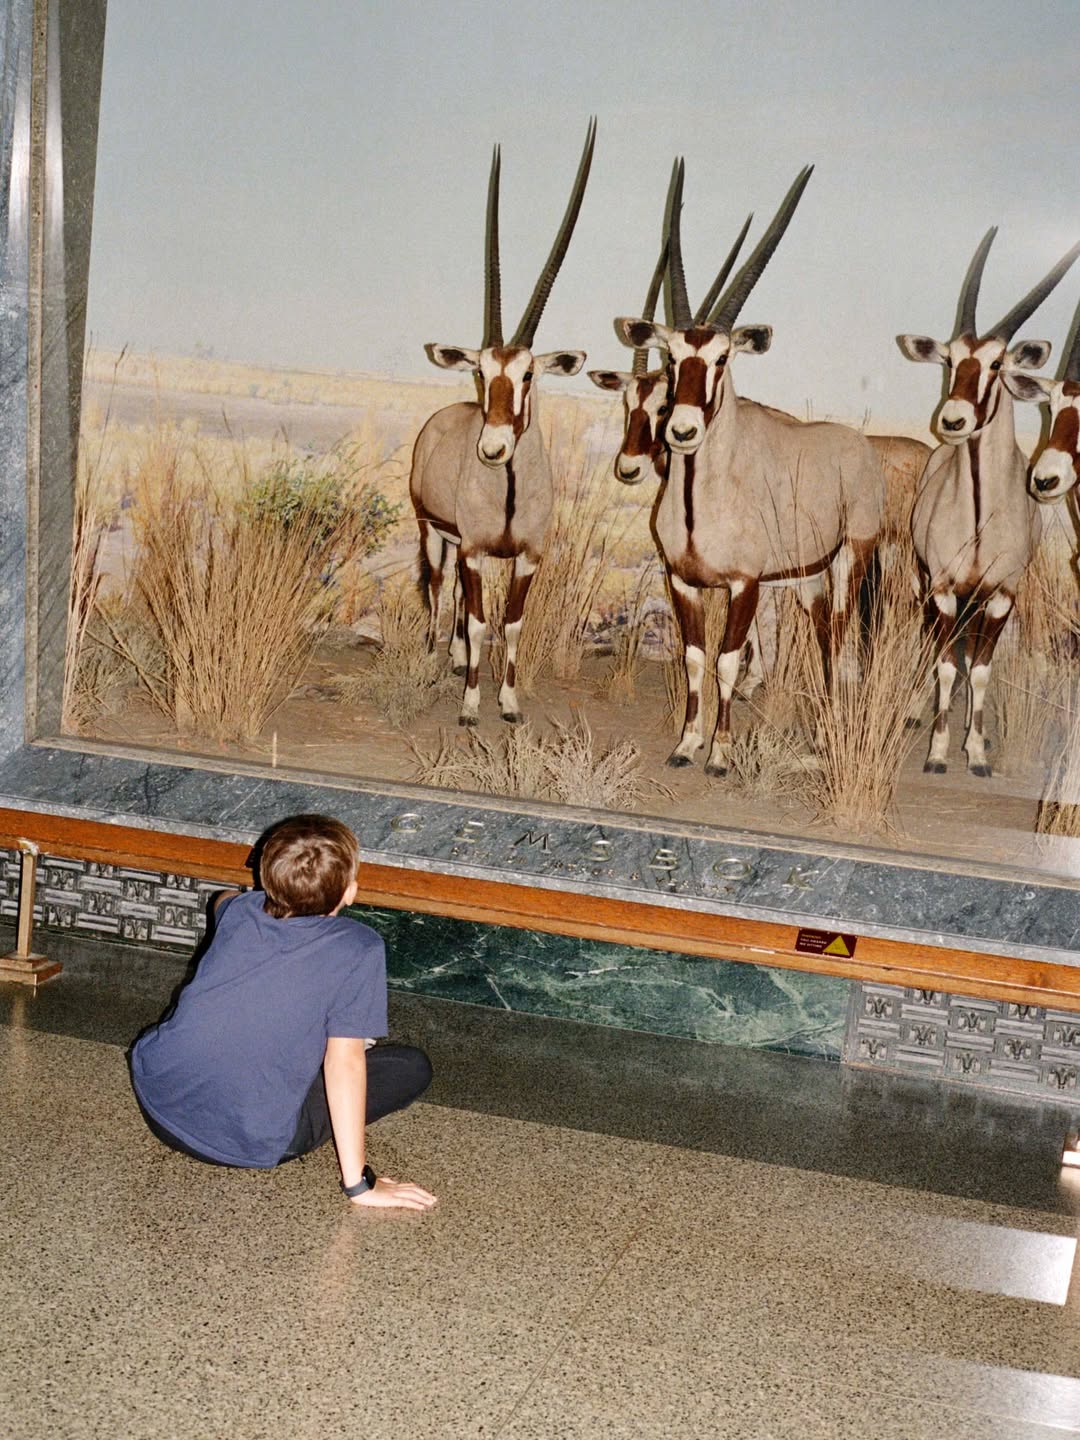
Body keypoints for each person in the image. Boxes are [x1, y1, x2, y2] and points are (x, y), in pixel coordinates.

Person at [129, 813, 436, 1211]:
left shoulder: (240, 909)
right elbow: (345, 1067)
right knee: (411, 1067)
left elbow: (222, 900)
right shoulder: (359, 947)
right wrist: (360, 1185)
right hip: (248, 1141)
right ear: (350, 892)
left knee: (211, 1006)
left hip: (159, 1101)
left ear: (264, 876)